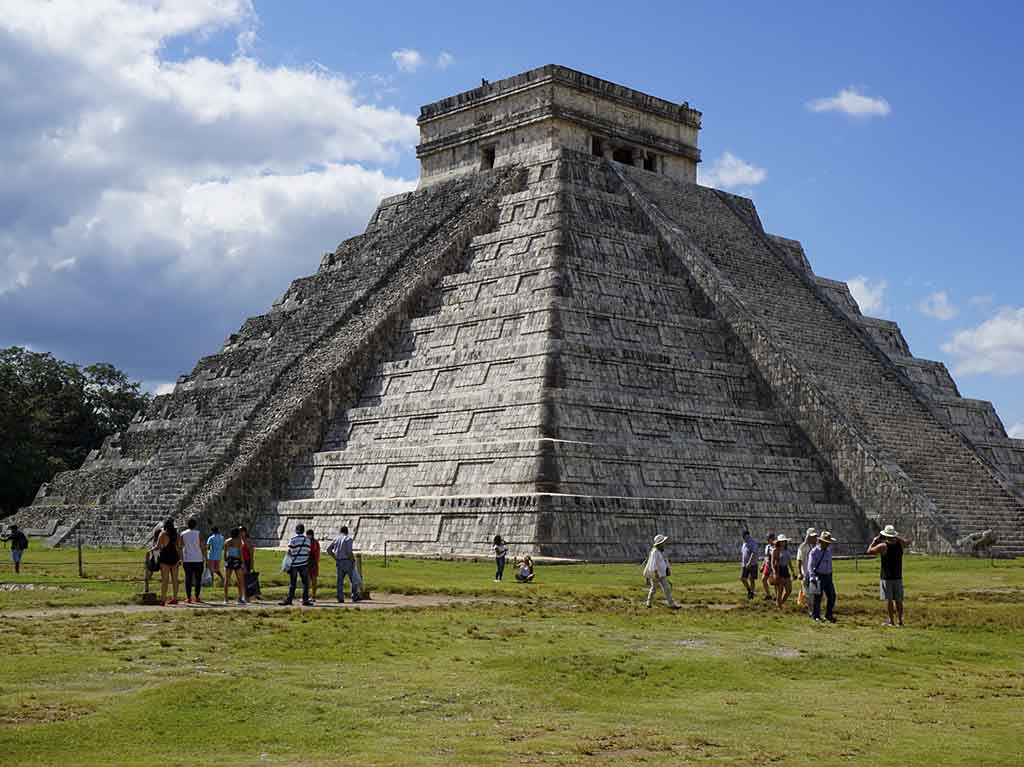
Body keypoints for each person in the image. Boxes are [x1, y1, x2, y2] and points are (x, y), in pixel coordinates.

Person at [867, 524, 907, 627]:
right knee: (899, 600)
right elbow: (907, 542)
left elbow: (869, 551)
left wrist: (875, 540)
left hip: (886, 576)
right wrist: (896, 537)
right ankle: (900, 621)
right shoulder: (900, 544)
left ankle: (891, 621)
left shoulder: (883, 546)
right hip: (898, 575)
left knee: (889, 600)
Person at [643, 534, 680, 609]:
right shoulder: (655, 552)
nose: (664, 543)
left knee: (667, 588)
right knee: (654, 589)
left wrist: (668, 569)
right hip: (656, 574)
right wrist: (656, 572)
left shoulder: (662, 551)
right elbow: (653, 563)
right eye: (663, 542)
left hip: (662, 574)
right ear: (660, 543)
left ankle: (671, 604)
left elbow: (665, 561)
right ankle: (649, 603)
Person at [807, 530, 838, 623]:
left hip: (828, 576)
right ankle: (816, 615)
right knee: (817, 597)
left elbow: (829, 565)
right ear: (821, 542)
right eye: (826, 543)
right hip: (818, 576)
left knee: (832, 596)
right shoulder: (814, 552)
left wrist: (830, 575)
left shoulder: (828, 551)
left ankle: (828, 614)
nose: (828, 545)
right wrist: (812, 577)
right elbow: (810, 566)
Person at [280, 523, 313, 606]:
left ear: (297, 530)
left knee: (293, 583)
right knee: (305, 583)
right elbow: (308, 551)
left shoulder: (293, 539)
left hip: (294, 564)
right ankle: (305, 600)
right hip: (304, 563)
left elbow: (290, 551)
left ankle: (290, 599)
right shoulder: (307, 540)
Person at [151, 518, 182, 606]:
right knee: (175, 579)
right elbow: (179, 547)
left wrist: (151, 550)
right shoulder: (177, 534)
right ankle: (175, 598)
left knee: (165, 580)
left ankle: (163, 599)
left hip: (165, 558)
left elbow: (157, 546)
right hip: (175, 558)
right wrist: (180, 558)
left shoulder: (163, 534)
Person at [326, 526, 361, 603]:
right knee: (353, 579)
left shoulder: (336, 539)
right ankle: (354, 596)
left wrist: (335, 557)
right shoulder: (348, 539)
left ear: (340, 531)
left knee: (339, 581)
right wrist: (352, 560)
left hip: (339, 561)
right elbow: (349, 551)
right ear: (347, 531)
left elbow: (328, 550)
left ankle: (340, 597)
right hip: (347, 561)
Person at [180, 517, 207, 604]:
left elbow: (180, 546)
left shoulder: (183, 534)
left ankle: (188, 597)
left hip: (187, 559)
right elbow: (203, 546)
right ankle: (197, 596)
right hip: (198, 558)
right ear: (195, 525)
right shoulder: (199, 533)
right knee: (198, 578)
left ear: (187, 525)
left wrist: (181, 558)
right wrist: (205, 557)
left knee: (188, 578)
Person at [223, 527, 247, 605]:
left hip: (229, 559)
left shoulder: (227, 541)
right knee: (240, 580)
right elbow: (240, 553)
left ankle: (225, 599)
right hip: (236, 560)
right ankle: (240, 598)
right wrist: (243, 563)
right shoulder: (239, 541)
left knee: (227, 580)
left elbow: (225, 553)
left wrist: (225, 560)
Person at [796, 528, 818, 614]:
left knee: (815, 592)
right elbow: (799, 560)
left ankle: (813, 609)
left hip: (815, 573)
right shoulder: (802, 547)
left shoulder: (816, 546)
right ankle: (811, 610)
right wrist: (800, 572)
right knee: (807, 593)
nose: (814, 538)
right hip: (805, 573)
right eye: (813, 537)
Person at [771, 535, 795, 609]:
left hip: (785, 570)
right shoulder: (775, 550)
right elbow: (772, 562)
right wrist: (774, 572)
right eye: (782, 541)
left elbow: (789, 562)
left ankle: (781, 602)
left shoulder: (787, 551)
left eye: (784, 541)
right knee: (780, 590)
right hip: (779, 570)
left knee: (789, 590)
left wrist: (793, 571)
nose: (783, 543)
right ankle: (779, 605)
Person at [740, 530, 758, 599]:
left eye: (746, 536)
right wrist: (742, 562)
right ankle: (749, 590)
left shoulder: (753, 543)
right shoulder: (744, 544)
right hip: (744, 564)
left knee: (751, 579)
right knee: (742, 578)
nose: (745, 538)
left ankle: (752, 593)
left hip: (752, 564)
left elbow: (753, 553)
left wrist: (749, 562)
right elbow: (743, 553)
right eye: (744, 537)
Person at [306, 528, 321, 603]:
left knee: (308, 580)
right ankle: (313, 596)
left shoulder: (308, 542)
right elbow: (317, 553)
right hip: (314, 562)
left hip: (309, 562)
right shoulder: (316, 542)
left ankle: (308, 596)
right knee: (313, 580)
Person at [761, 532, 777, 599]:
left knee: (775, 582)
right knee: (763, 579)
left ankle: (777, 596)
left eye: (769, 538)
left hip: (774, 565)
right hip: (767, 565)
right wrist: (763, 565)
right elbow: (766, 557)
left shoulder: (775, 546)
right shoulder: (767, 546)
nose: (768, 540)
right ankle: (768, 594)